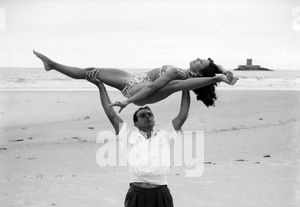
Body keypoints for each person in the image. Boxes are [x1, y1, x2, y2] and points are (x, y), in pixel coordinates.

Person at [86, 70, 192, 207]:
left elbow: (182, 115)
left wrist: (186, 86)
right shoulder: (128, 136)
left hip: (161, 195)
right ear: (135, 123)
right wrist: (100, 87)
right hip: (136, 195)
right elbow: (111, 114)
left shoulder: (165, 135)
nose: (148, 117)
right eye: (143, 115)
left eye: (150, 114)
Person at [33, 50, 238, 112]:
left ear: (202, 71)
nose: (197, 58)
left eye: (200, 61)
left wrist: (128, 101)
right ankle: (52, 65)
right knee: (91, 71)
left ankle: (52, 65)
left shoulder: (179, 76)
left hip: (137, 89)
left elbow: (152, 87)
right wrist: (225, 72)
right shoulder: (186, 74)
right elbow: (214, 67)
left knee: (92, 73)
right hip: (134, 79)